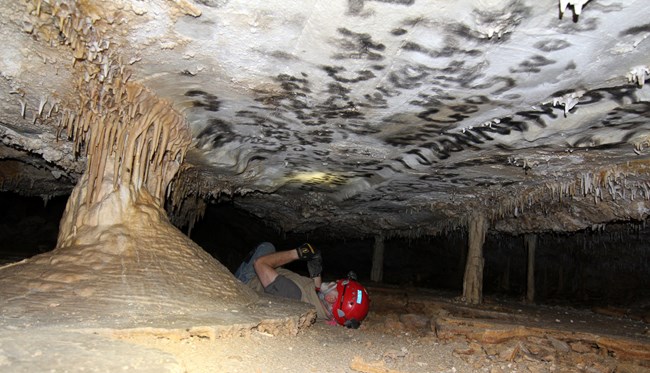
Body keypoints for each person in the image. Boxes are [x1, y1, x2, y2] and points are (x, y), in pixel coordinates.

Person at [234, 242, 370, 328]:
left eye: (335, 285)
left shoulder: (293, 293)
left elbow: (260, 264)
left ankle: (232, 279)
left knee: (267, 247)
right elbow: (317, 294)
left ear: (331, 299)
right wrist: (316, 271)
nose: (334, 282)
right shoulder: (323, 312)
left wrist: (297, 254)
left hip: (248, 281)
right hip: (273, 278)